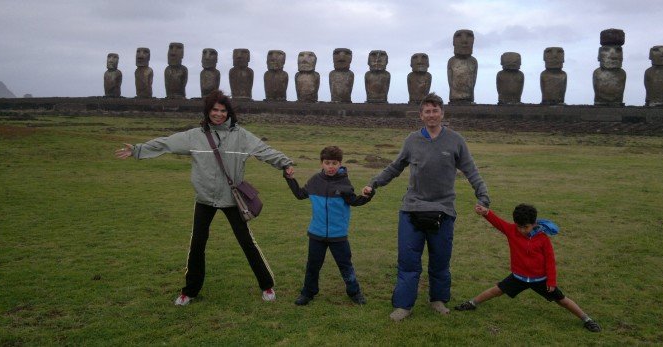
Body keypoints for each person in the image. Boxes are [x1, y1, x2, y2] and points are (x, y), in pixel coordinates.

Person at [115, 90, 294, 306]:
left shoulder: (241, 136)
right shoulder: (194, 136)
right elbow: (165, 143)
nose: (218, 114)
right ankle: (189, 291)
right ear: (208, 111)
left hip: (232, 199)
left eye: (222, 110)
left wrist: (285, 163)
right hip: (205, 198)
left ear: (229, 113)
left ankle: (267, 286)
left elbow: (264, 150)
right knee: (197, 244)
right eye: (214, 110)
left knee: (247, 242)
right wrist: (137, 150)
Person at [362, 92, 490, 322]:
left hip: (444, 210)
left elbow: (471, 170)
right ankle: (403, 305)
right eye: (427, 111)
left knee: (440, 260)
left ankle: (438, 300)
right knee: (408, 261)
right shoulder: (412, 140)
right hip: (412, 209)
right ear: (421, 115)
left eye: (435, 110)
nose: (431, 115)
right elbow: (394, 167)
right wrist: (374, 183)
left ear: (442, 113)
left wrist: (483, 197)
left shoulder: (455, 140)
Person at [454, 203, 602, 333]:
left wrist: (551, 281)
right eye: (519, 226)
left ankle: (587, 319)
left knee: (562, 300)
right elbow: (498, 222)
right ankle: (472, 303)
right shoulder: (512, 230)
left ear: (534, 223)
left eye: (525, 227)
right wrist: (486, 212)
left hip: (540, 279)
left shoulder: (543, 239)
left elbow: (550, 261)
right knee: (496, 290)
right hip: (518, 277)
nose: (521, 230)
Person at [284, 146, 372, 306]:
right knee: (313, 266)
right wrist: (290, 178)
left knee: (345, 265)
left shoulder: (344, 183)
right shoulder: (314, 181)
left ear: (340, 164)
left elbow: (355, 201)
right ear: (321, 163)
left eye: (334, 163)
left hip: (338, 235)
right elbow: (300, 194)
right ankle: (308, 292)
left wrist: (368, 195)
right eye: (327, 163)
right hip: (316, 234)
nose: (330, 166)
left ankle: (354, 292)